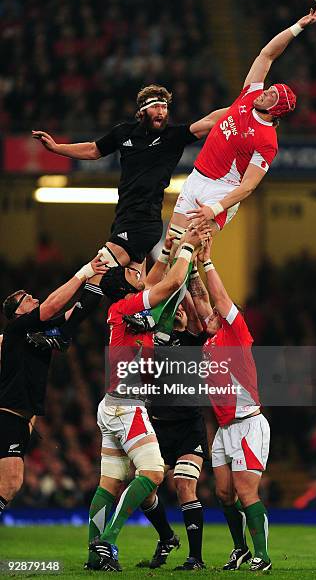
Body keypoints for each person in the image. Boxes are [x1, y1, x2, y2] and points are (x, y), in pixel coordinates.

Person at [32, 85, 227, 343]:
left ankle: (65, 331)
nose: (162, 112)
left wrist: (244, 106)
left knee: (98, 269)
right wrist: (57, 148)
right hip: (123, 218)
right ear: (142, 111)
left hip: (143, 222)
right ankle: (158, 335)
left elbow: (210, 121)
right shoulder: (123, 133)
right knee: (136, 288)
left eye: (165, 107)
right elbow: (93, 149)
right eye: (156, 107)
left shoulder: (173, 136)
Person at [86, 226, 209, 572]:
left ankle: (94, 555)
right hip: (128, 405)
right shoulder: (127, 306)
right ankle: (108, 542)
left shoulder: (122, 309)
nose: (138, 271)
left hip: (111, 404)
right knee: (154, 473)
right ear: (126, 286)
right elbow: (167, 285)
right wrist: (188, 247)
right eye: (130, 271)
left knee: (108, 485)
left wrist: (168, 251)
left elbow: (153, 281)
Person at [170, 7, 316, 234]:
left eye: (272, 95)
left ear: (276, 110)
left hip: (221, 191)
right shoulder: (249, 95)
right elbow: (267, 55)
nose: (265, 91)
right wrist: (298, 26)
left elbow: (249, 186)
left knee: (187, 250)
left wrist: (215, 208)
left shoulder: (267, 140)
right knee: (170, 248)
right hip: (195, 178)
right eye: (269, 88)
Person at [0, 255, 108, 518]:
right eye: (27, 300)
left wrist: (100, 274)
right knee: (10, 484)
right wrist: (84, 271)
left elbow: (78, 310)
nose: (34, 300)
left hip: (21, 418)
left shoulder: (41, 328)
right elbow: (51, 305)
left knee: (10, 484)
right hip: (8, 416)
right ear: (18, 312)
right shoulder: (16, 329)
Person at [196, 238, 271, 572]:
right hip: (225, 428)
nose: (212, 312)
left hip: (247, 423)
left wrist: (207, 262)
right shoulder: (209, 342)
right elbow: (198, 299)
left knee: (244, 490)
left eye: (217, 313)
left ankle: (263, 556)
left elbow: (219, 298)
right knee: (223, 493)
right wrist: (186, 257)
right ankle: (239, 549)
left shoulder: (236, 334)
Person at [139, 290, 209, 571]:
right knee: (143, 491)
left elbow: (194, 315)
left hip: (189, 427)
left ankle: (196, 559)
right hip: (159, 426)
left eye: (183, 308)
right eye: (175, 308)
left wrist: (183, 276)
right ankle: (167, 537)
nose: (180, 311)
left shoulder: (193, 341)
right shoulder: (152, 341)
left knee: (184, 484)